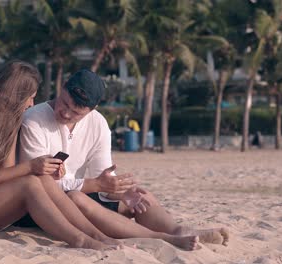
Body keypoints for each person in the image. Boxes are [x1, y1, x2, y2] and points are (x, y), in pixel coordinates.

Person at [19, 69, 228, 250]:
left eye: (76, 112)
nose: (65, 114)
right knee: (76, 197)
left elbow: (101, 176)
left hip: (80, 193)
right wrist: (96, 185)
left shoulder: (98, 123)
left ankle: (178, 230)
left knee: (139, 197)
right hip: (44, 203)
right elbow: (41, 182)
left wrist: (118, 191)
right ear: (62, 87)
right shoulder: (34, 120)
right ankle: (163, 238)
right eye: (64, 103)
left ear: (91, 110)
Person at [0, 60, 124, 250]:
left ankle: (94, 234)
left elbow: (8, 172)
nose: (32, 103)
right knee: (30, 182)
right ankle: (79, 239)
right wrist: (32, 166)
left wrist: (43, 170)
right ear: (15, 94)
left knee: (41, 179)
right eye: (30, 97)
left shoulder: (10, 120)